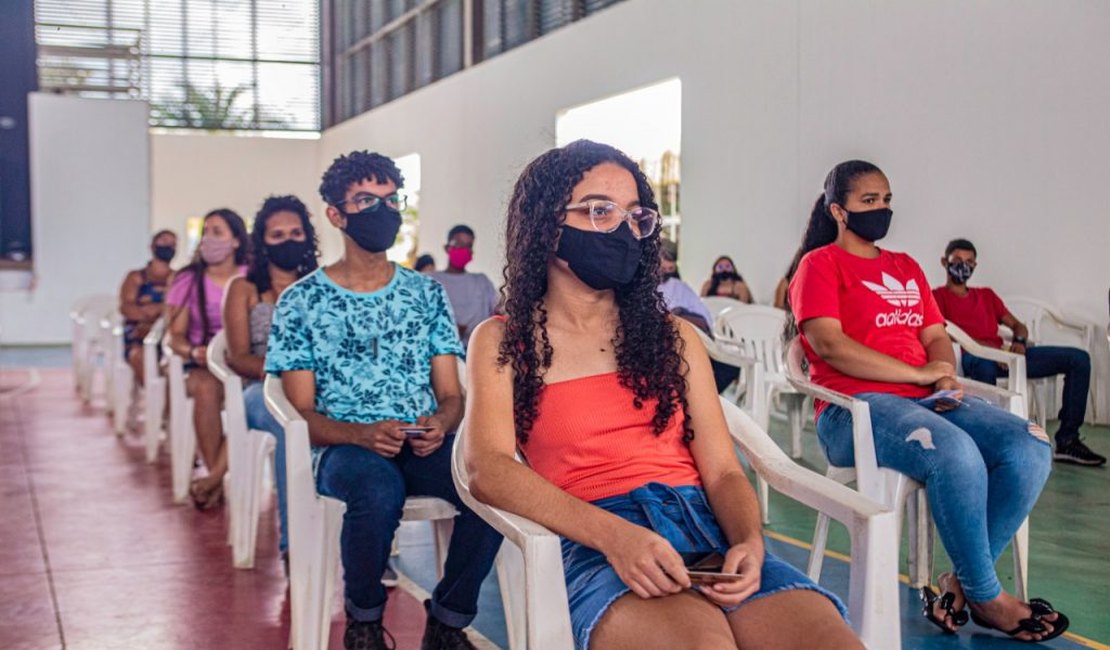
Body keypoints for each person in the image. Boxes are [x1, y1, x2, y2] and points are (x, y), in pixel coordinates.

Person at [464, 140, 857, 650]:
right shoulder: (503, 340)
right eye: (600, 211)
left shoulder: (673, 336)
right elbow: (487, 468)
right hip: (593, 539)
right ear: (545, 224)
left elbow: (721, 471)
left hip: (705, 527)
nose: (624, 229)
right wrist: (614, 537)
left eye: (635, 215)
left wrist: (749, 542)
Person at [789, 160, 1068, 642]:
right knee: (956, 452)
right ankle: (989, 600)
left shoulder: (905, 266)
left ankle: (959, 586)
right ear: (838, 210)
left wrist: (940, 375)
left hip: (926, 401)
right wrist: (917, 373)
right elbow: (830, 345)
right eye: (868, 201)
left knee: (1030, 445)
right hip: (854, 409)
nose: (882, 209)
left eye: (887, 199)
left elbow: (935, 334)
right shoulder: (819, 266)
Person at [265, 151, 502, 650]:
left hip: (418, 441)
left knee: (492, 489)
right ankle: (365, 621)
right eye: (366, 201)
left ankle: (448, 618)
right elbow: (303, 415)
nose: (383, 210)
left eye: (392, 199)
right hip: (341, 448)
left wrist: (440, 422)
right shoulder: (302, 302)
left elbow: (451, 395)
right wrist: (361, 435)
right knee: (377, 491)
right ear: (336, 214)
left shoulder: (426, 294)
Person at [932, 239, 1105, 466]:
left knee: (1078, 358)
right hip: (974, 357)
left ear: (975, 266)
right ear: (945, 262)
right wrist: (990, 352)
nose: (963, 266)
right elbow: (943, 332)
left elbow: (1017, 325)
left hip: (1007, 356)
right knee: (984, 365)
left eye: (969, 262)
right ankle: (989, 442)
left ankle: (1068, 441)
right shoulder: (937, 297)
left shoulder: (986, 295)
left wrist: (1019, 342)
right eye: (957, 261)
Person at [222, 195, 319, 559]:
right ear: (261, 242)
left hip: (318, 388)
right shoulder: (243, 289)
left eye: (296, 233)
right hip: (262, 391)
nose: (288, 241)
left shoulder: (321, 285)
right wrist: (289, 371)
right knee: (291, 424)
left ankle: (373, 549)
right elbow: (238, 356)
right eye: (277, 235)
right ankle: (293, 545)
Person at [165, 209, 250, 510]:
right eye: (206, 232)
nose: (208, 239)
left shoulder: (250, 277)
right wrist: (193, 352)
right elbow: (175, 335)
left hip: (243, 365)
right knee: (206, 389)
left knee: (252, 397)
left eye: (218, 232)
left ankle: (212, 480)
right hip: (203, 365)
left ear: (237, 240)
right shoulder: (188, 279)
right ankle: (220, 476)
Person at [119, 230, 177, 385]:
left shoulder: (178, 278)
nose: (168, 247)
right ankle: (156, 397)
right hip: (138, 336)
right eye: (164, 242)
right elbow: (127, 309)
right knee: (139, 356)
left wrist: (158, 311)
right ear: (152, 247)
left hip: (167, 333)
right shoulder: (136, 277)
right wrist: (152, 316)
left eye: (172, 244)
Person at [430, 225, 498, 349]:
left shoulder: (482, 282)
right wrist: (449, 330)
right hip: (441, 353)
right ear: (447, 248)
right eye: (459, 243)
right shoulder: (432, 282)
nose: (464, 249)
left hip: (478, 352)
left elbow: (499, 310)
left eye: (469, 246)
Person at [658, 239, 714, 333]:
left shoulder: (680, 287)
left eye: (670, 269)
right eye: (663, 269)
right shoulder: (642, 287)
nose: (667, 272)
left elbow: (705, 318)